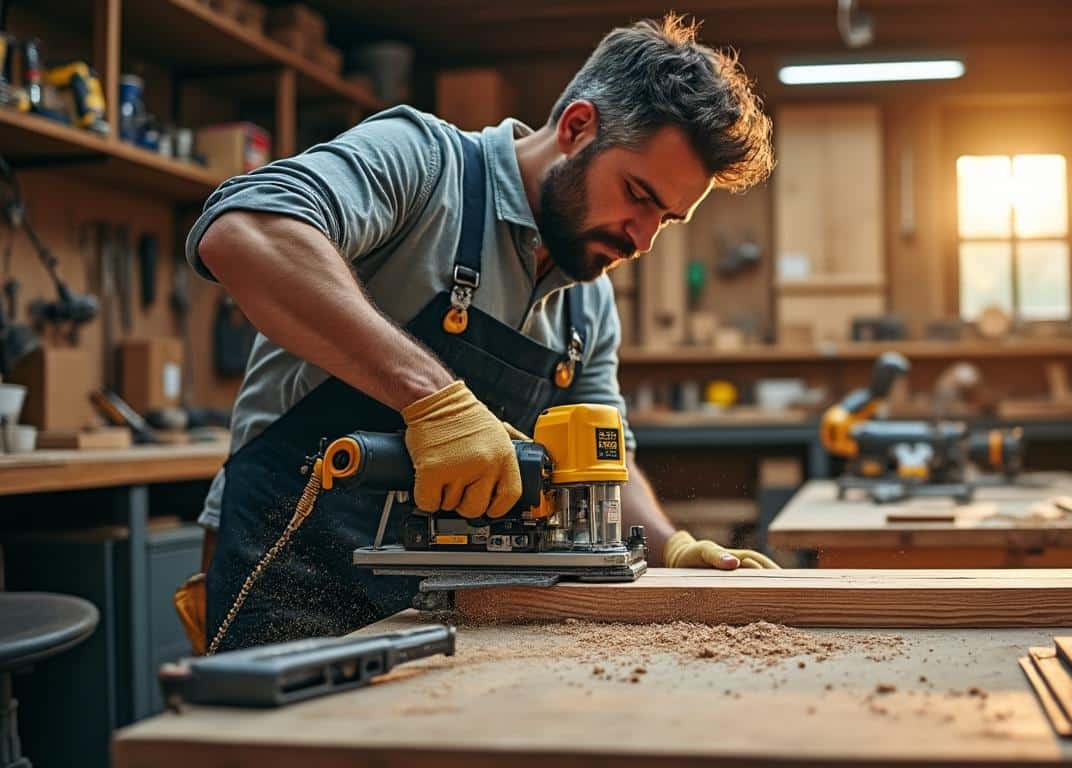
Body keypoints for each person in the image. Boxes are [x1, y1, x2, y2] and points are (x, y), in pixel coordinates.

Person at [182, 14, 779, 652]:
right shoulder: (425, 163)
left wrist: (671, 547)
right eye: (638, 195)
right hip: (288, 582)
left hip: (448, 611)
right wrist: (433, 400)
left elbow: (603, 462)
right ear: (577, 127)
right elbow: (244, 232)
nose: (643, 239)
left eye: (667, 218)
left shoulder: (589, 303)